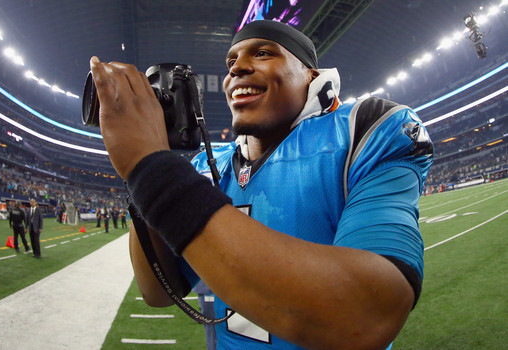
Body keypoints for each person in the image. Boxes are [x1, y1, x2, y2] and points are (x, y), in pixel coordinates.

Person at [90, 20, 433, 350]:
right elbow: (159, 290)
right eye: (231, 62)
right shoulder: (209, 167)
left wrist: (153, 169)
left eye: (263, 53)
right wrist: (143, 166)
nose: (237, 68)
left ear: (311, 74)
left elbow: (367, 314)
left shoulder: (365, 128)